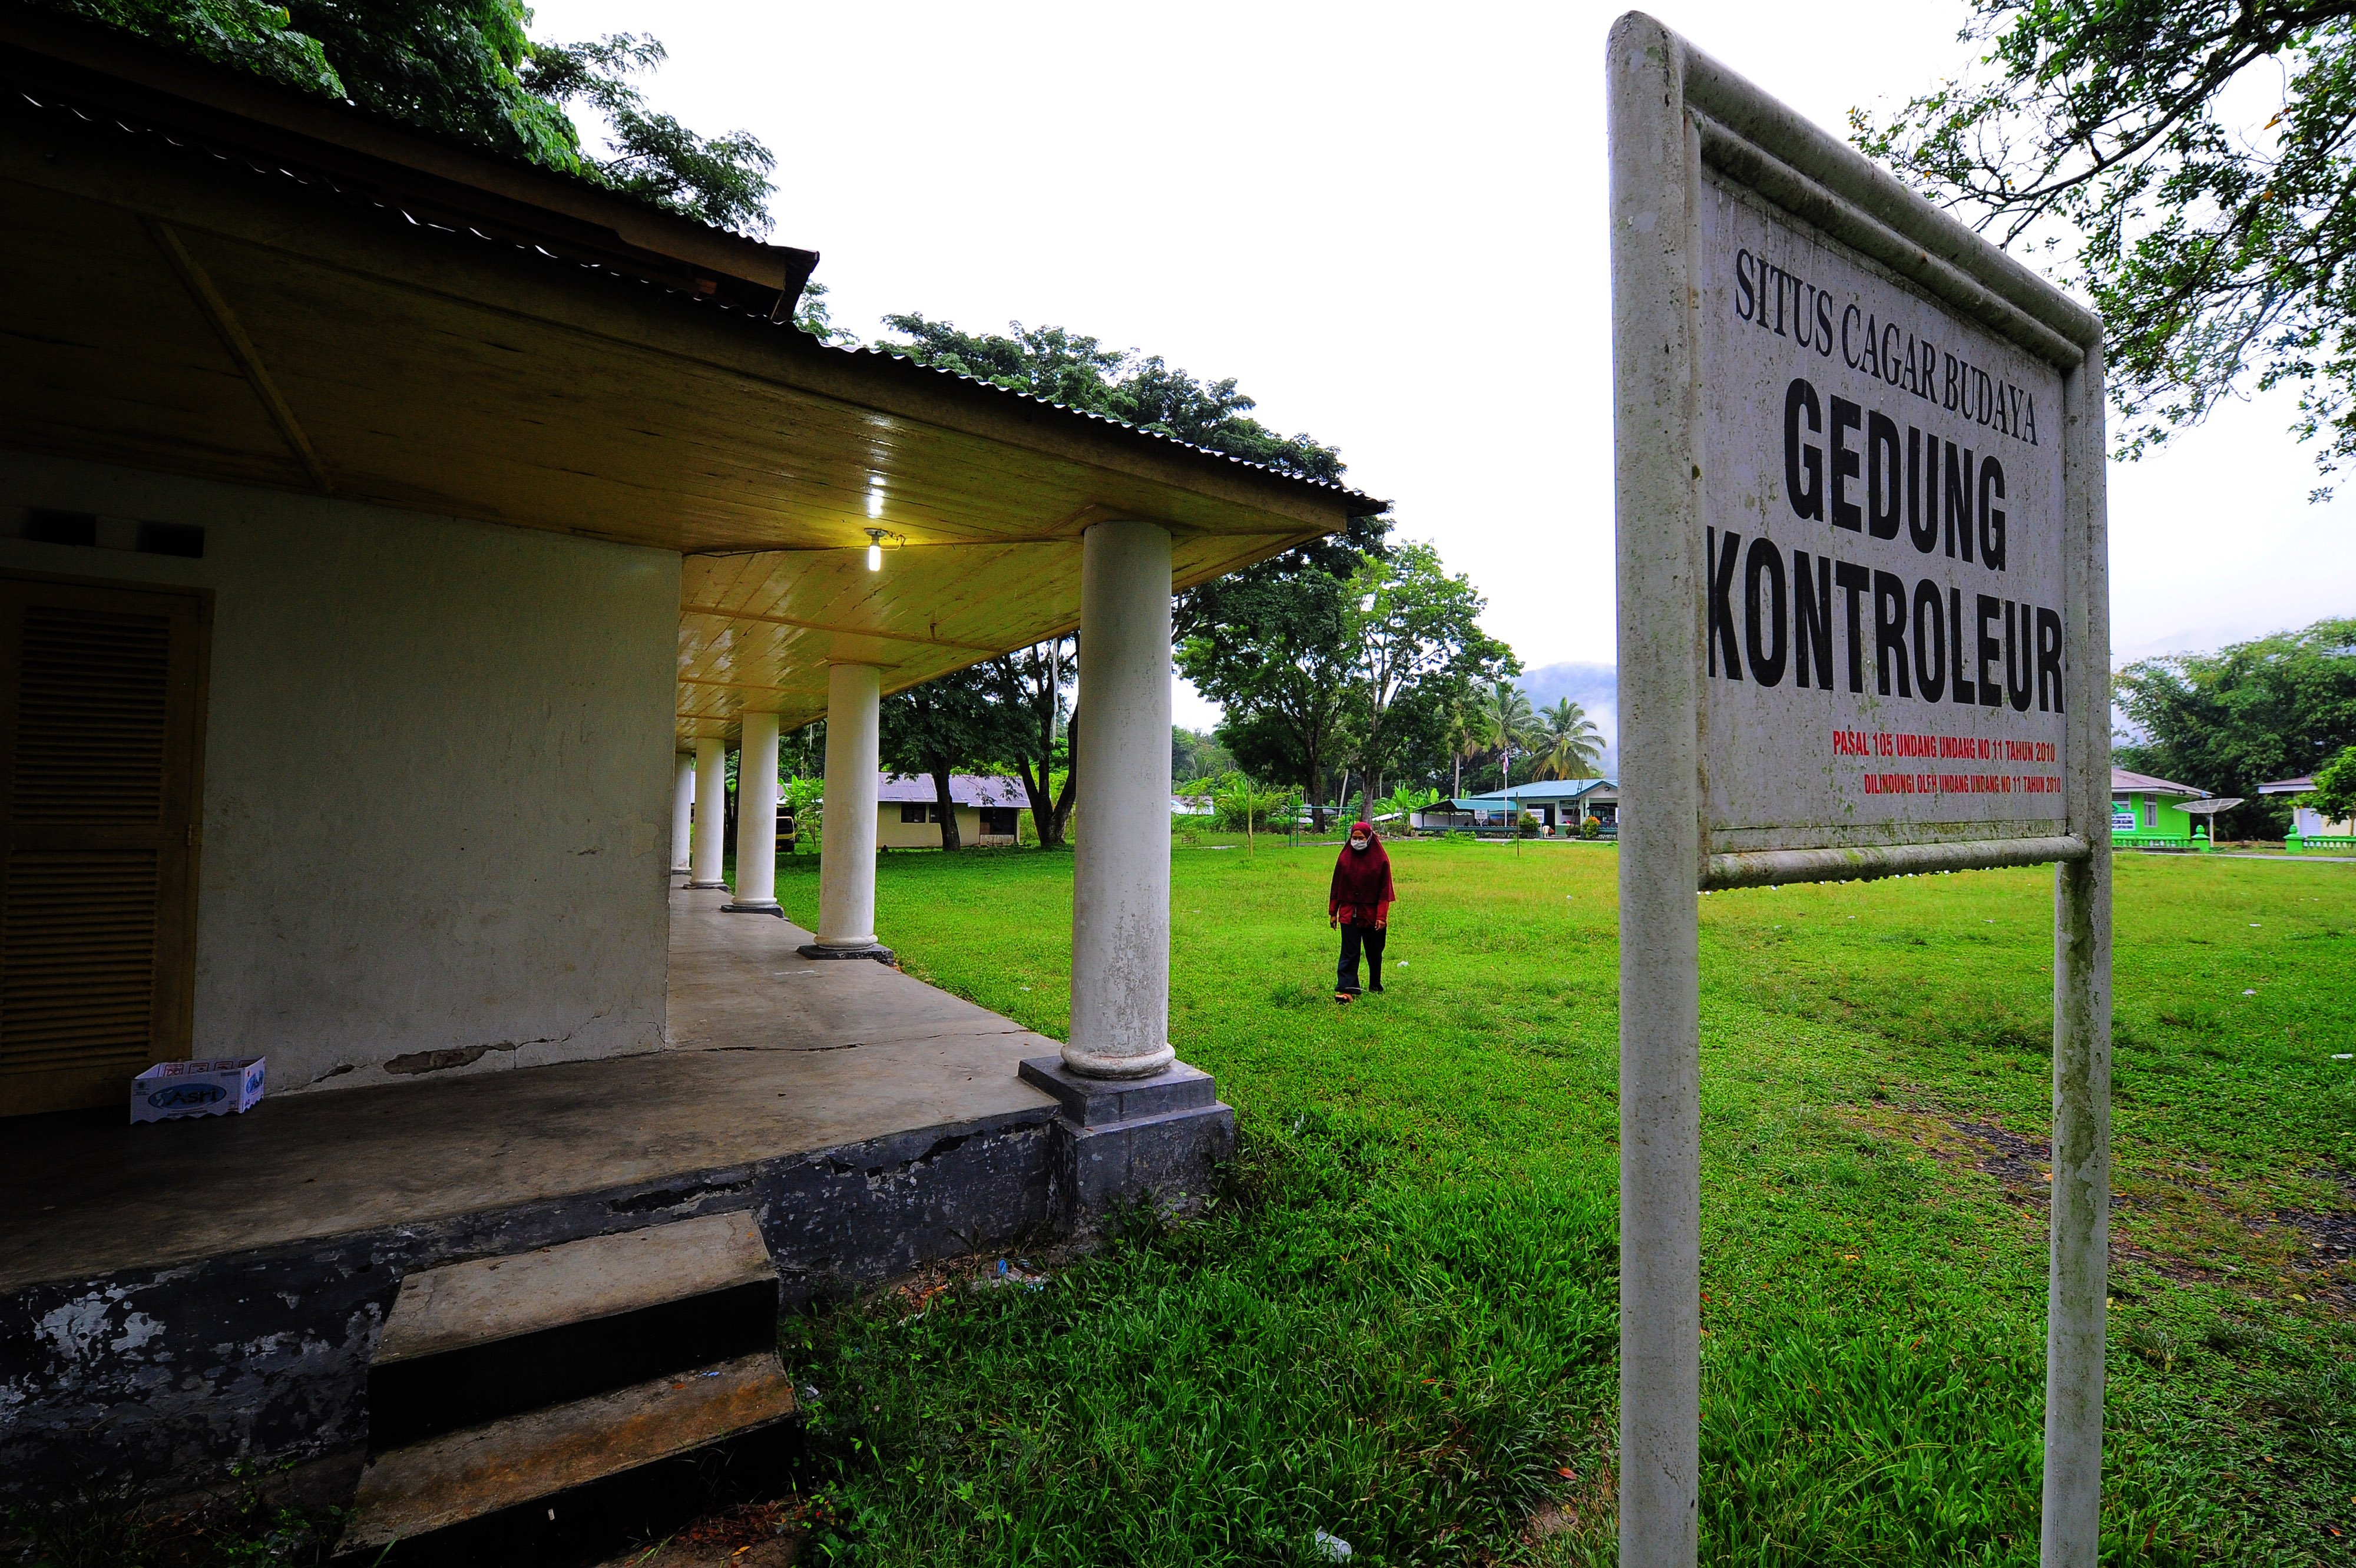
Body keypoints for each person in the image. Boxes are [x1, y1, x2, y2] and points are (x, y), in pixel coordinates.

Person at [1328, 820, 1395, 1003]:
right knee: (1349, 952)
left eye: (1361, 838)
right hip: (1349, 914)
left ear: (1370, 838)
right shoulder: (1344, 859)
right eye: (1354, 838)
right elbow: (1336, 887)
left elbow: (1384, 892)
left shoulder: (1380, 861)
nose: (1357, 841)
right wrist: (1334, 912)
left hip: (1372, 915)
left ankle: (1375, 983)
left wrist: (1382, 917)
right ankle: (1346, 990)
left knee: (1374, 951)